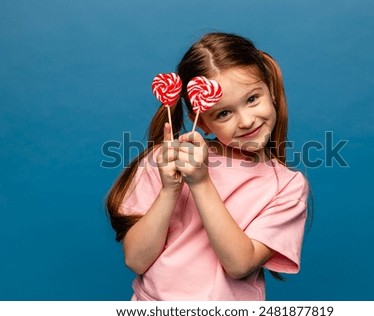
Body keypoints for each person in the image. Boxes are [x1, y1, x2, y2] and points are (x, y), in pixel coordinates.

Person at [106, 32, 310, 301]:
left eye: (252, 99)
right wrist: (169, 189)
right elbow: (135, 260)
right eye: (223, 113)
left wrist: (201, 183)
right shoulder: (167, 161)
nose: (246, 121)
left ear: (270, 89)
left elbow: (240, 265)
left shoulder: (287, 186)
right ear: (201, 122)